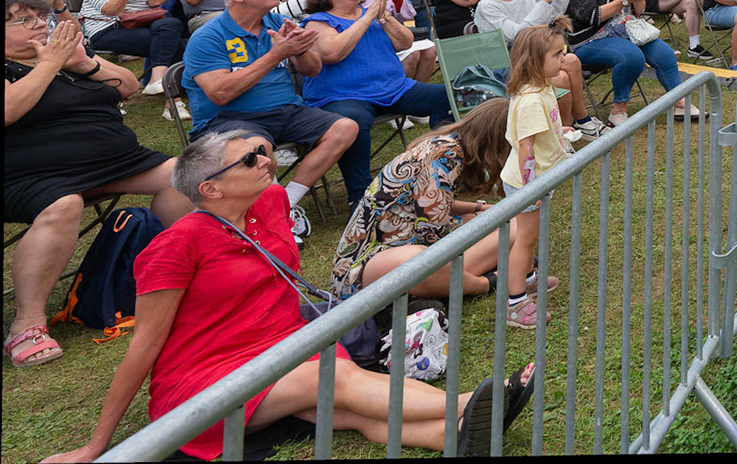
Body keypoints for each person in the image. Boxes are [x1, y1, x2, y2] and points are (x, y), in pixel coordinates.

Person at [47, 128, 536, 461]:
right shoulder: (175, 246)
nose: (266, 159)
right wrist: (97, 444)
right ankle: (477, 401)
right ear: (211, 189)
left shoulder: (273, 202)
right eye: (249, 158)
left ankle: (461, 436)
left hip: (281, 345)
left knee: (347, 410)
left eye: (263, 151)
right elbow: (146, 345)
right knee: (334, 381)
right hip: (207, 376)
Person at [5, 0, 190, 369]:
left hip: (115, 161)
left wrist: (84, 63)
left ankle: (180, 272)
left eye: (41, 16)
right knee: (64, 204)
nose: (40, 24)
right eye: (23, 20)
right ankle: (27, 324)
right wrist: (50, 64)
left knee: (186, 177)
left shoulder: (64, 55)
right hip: (32, 173)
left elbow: (127, 86)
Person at [180, 0, 359, 245]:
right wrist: (276, 55)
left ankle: (286, 203)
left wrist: (300, 50)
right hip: (228, 118)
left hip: (286, 110)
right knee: (257, 149)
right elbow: (220, 93)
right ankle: (276, 217)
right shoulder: (208, 37)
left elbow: (312, 70)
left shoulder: (276, 23)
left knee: (346, 127)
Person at [329, 97, 541, 301]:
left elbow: (428, 205)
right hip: (367, 264)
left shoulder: (445, 144)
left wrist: (480, 209)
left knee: (506, 225)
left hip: (402, 238)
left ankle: (442, 284)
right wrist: (479, 225)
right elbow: (432, 232)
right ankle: (484, 283)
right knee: (509, 231)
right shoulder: (448, 154)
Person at [298, 0, 453, 206]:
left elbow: (405, 42)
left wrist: (383, 16)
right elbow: (332, 53)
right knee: (352, 122)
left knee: (446, 96)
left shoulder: (371, 14)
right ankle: (359, 197)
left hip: (393, 90)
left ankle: (439, 166)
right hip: (343, 97)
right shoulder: (318, 22)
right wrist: (369, 15)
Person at [474, 0, 605, 139]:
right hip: (508, 67)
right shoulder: (487, 6)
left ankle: (582, 120)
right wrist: (544, 1)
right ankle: (560, 135)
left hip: (533, 58)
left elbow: (549, 19)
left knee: (573, 61)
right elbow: (516, 35)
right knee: (560, 78)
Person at [563, 0, 694, 124]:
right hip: (589, 42)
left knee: (664, 52)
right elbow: (593, 16)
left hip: (625, 34)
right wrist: (625, 0)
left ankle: (679, 101)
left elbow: (638, 12)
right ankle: (618, 109)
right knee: (631, 56)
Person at [502, 25, 574, 329]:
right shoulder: (531, 99)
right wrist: (532, 189)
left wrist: (560, 132)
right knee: (526, 238)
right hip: (527, 183)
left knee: (530, 236)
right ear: (533, 60)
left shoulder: (542, 85)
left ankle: (529, 277)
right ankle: (516, 303)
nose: (564, 57)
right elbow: (525, 149)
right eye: (557, 54)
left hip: (536, 179)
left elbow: (541, 130)